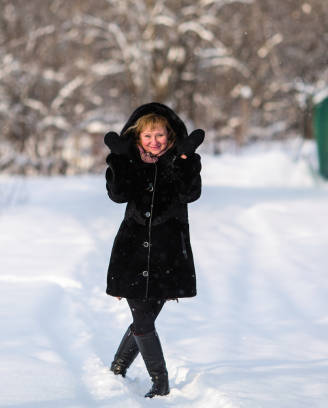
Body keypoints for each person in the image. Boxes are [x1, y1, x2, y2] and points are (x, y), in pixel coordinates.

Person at [103, 102, 204, 398]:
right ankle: (160, 382)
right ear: (137, 137)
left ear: (169, 135)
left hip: (168, 253)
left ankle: (119, 366)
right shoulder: (129, 160)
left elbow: (190, 193)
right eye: (147, 137)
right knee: (144, 318)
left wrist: (184, 158)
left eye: (159, 135)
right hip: (132, 252)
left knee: (144, 318)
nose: (154, 142)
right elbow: (117, 195)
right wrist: (120, 160)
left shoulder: (181, 159)